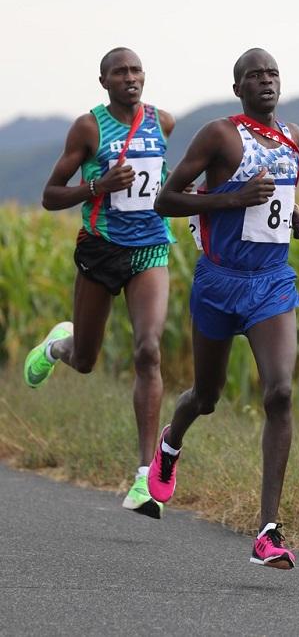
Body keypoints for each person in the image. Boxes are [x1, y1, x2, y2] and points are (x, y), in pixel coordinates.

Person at [147, 47, 299, 568]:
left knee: (280, 392)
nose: (266, 81)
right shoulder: (220, 134)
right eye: (254, 76)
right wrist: (230, 200)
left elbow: (281, 197)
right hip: (219, 283)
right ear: (238, 87)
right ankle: (171, 443)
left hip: (271, 283)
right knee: (208, 395)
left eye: (272, 74)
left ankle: (267, 530)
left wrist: (297, 219)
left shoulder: (293, 137)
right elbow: (166, 201)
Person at [23, 47, 176, 520]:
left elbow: (168, 182)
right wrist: (98, 187)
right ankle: (58, 346)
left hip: (150, 247)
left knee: (148, 349)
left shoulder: (163, 122)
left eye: (135, 71)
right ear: (104, 81)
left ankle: (144, 478)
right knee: (85, 360)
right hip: (100, 248)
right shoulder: (88, 128)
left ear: (144, 77)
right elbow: (50, 196)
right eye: (119, 72)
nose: (129, 78)